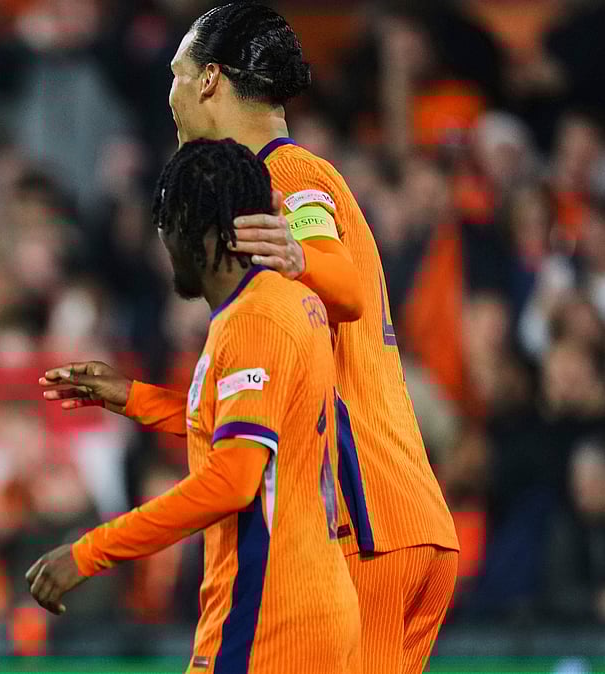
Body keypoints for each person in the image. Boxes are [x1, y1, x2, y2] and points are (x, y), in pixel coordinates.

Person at [171, 4, 461, 672]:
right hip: (394, 517)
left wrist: (300, 258)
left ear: (209, 80)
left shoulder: (288, 172)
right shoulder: (280, 176)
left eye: (176, 75)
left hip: (367, 523)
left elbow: (344, 285)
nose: (172, 96)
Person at [27, 138, 360, 673]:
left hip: (268, 615)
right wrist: (135, 397)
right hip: (309, 603)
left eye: (170, 225)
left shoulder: (253, 321)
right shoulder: (289, 300)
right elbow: (258, 428)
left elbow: (233, 480)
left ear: (206, 233)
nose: (164, 242)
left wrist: (89, 552)